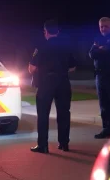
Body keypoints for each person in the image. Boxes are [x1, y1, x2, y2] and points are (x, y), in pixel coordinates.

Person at [28, 19, 76, 154]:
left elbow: (32, 68)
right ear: (58, 32)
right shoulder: (66, 47)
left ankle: (43, 145)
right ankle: (64, 143)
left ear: (45, 31)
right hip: (63, 82)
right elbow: (72, 67)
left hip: (46, 83)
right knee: (64, 114)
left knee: (43, 115)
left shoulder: (41, 46)